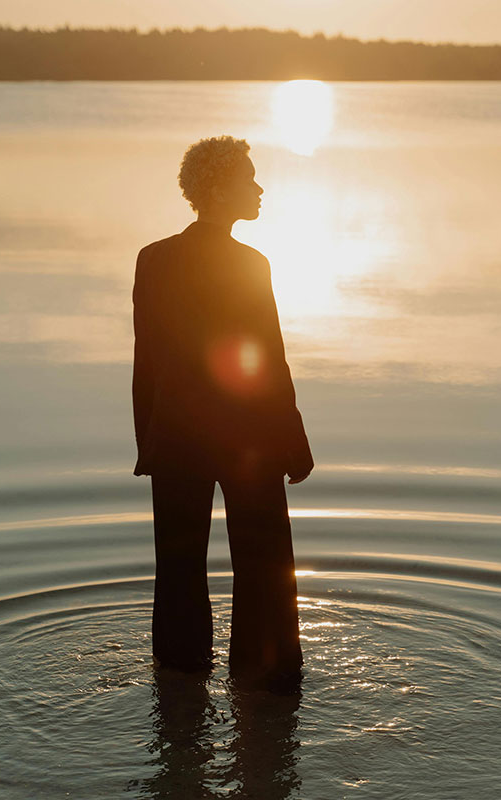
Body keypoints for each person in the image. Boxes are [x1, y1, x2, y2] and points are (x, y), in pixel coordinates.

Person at [131, 135, 314, 693]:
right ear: (217, 187)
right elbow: (267, 363)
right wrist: (294, 441)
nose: (259, 188)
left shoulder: (153, 258)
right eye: (249, 178)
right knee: (263, 567)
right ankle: (267, 677)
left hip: (176, 438)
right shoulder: (250, 264)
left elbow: (148, 362)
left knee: (179, 570)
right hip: (247, 441)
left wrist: (149, 444)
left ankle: (180, 677)